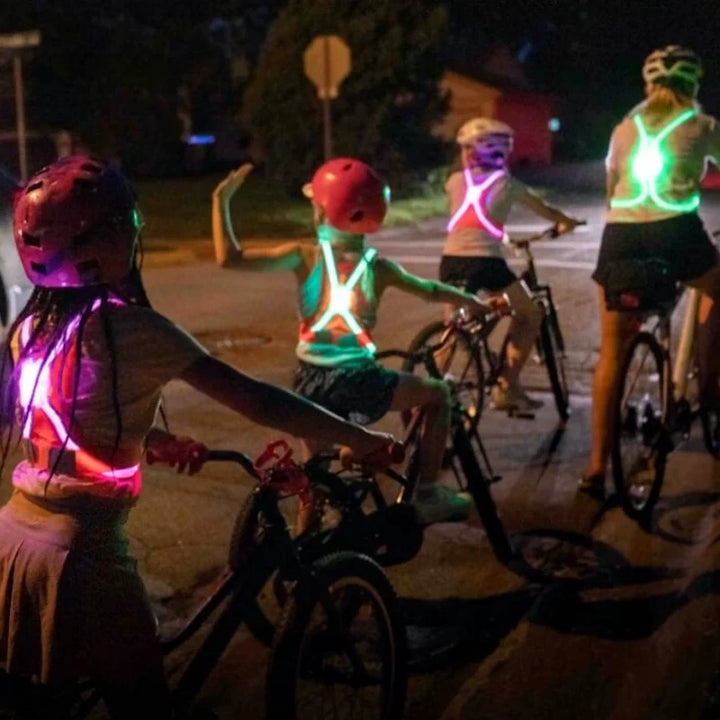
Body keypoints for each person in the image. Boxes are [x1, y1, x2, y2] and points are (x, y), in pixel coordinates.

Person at [0, 156, 393, 719]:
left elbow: (67, 409)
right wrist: (359, 436)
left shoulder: (32, 327)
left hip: (13, 539)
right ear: (111, 241)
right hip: (81, 557)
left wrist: (154, 441)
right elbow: (258, 400)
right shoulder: (136, 330)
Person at [212, 158, 499, 524]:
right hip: (359, 381)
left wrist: (220, 202)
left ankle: (308, 559)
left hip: (309, 381)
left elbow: (229, 258)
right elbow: (430, 291)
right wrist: (475, 302)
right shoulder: (378, 268)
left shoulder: (304, 256)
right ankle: (427, 493)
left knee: (313, 484)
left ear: (321, 208)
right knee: (437, 395)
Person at [581, 45, 720, 495]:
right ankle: (708, 383)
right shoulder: (702, 126)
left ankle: (597, 467)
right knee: (717, 287)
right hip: (675, 232)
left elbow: (610, 187)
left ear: (649, 85)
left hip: (619, 237)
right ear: (693, 86)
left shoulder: (624, 128)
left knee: (611, 352)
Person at [439, 117, 582, 413]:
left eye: (466, 149)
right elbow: (547, 211)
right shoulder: (508, 184)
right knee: (530, 313)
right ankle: (506, 387)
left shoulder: (453, 182)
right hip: (486, 262)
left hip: (450, 261)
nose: (463, 155)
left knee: (451, 326)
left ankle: (433, 381)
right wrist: (567, 222)